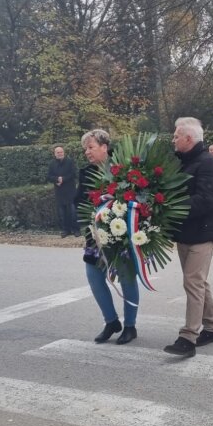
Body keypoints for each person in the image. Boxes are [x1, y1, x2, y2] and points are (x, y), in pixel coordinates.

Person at [165, 118, 213, 358]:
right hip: (186, 232)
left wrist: (171, 205)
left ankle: (188, 336)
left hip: (203, 232)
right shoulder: (183, 163)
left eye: (176, 136)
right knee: (198, 282)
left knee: (192, 282)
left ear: (188, 139)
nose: (173, 139)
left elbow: (205, 200)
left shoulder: (208, 164)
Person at [77, 129, 139, 344]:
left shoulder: (122, 169)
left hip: (122, 234)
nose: (87, 152)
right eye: (85, 149)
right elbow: (79, 202)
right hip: (95, 235)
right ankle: (111, 321)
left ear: (104, 147)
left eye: (91, 147)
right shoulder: (85, 173)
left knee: (127, 278)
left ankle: (130, 326)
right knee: (93, 276)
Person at [47, 145, 80, 237]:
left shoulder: (70, 162)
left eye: (61, 152)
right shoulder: (52, 164)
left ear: (64, 153)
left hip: (70, 191)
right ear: (55, 154)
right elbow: (49, 177)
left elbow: (73, 174)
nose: (60, 154)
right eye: (58, 152)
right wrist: (57, 179)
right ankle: (66, 230)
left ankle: (76, 230)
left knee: (73, 212)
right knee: (62, 213)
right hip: (59, 192)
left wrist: (63, 179)